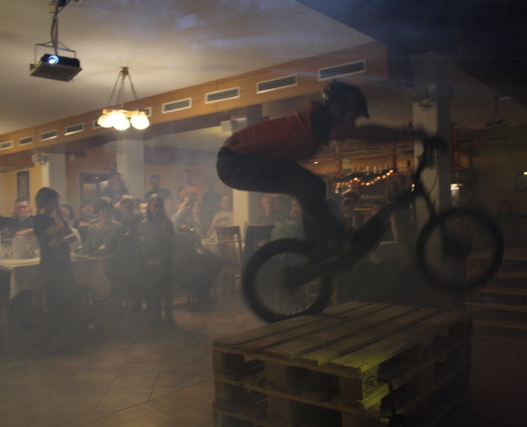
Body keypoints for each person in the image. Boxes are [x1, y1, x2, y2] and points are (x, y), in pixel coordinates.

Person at [216, 81, 429, 253]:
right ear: (339, 110)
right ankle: (339, 241)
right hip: (235, 162)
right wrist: (414, 135)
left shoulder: (317, 120)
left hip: (237, 162)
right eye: (352, 116)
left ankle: (314, 248)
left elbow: (360, 132)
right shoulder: (318, 120)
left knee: (312, 186)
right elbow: (367, 133)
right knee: (307, 185)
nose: (353, 122)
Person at [32, 187, 83, 347]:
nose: (57, 205)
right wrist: (58, 220)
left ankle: (69, 337)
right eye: (54, 201)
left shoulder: (56, 217)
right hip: (51, 266)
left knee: (69, 299)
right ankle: (56, 339)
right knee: (55, 301)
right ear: (45, 202)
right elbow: (59, 232)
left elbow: (73, 236)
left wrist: (60, 241)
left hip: (64, 263)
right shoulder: (39, 219)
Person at [140, 195, 175, 325]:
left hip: (165, 262)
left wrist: (161, 259)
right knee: (154, 291)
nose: (156, 209)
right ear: (149, 207)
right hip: (150, 261)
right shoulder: (144, 224)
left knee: (167, 291)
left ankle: (169, 317)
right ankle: (156, 317)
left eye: (159, 206)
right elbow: (142, 244)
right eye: (154, 206)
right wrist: (148, 259)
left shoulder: (167, 223)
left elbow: (170, 244)